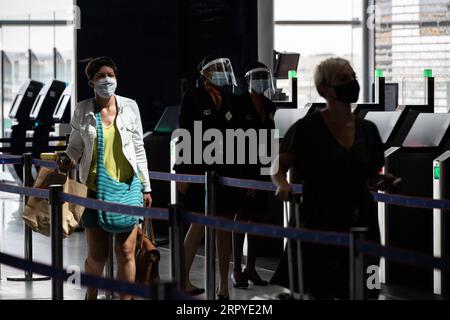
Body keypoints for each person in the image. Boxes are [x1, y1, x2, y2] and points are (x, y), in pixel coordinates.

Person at [271, 57, 386, 299]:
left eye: (353, 77)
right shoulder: (306, 129)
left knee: (364, 288)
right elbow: (278, 166)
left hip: (361, 219)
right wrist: (282, 184)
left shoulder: (369, 130)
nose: (352, 83)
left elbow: (369, 174)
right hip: (318, 217)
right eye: (344, 79)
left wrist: (384, 180)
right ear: (325, 89)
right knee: (319, 289)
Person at [59, 56, 152, 300]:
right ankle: (91, 293)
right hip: (93, 189)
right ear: (91, 82)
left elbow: (139, 148)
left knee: (127, 251)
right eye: (100, 76)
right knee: (97, 255)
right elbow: (75, 146)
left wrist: (146, 186)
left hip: (128, 186)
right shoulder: (82, 110)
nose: (107, 80)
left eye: (110, 75)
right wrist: (67, 159)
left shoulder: (130, 107)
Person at [175, 55, 238, 300]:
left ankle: (224, 285)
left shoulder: (232, 99)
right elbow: (184, 134)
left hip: (228, 170)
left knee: (224, 226)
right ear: (205, 73)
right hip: (200, 169)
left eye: (224, 68)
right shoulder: (193, 98)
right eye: (217, 69)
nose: (222, 72)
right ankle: (182, 280)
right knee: (198, 223)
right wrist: (182, 172)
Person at [231, 62, 276, 288]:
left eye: (264, 76)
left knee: (257, 217)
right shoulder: (239, 103)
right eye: (257, 76)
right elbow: (236, 140)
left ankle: (251, 268)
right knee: (242, 215)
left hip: (263, 167)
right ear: (248, 79)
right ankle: (236, 269)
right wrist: (244, 176)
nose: (261, 80)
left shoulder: (269, 105)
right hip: (244, 168)